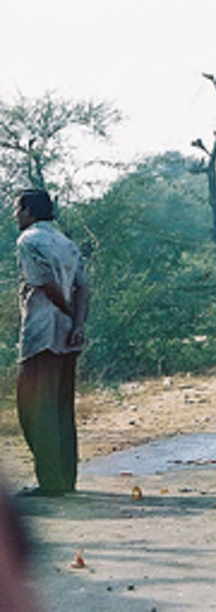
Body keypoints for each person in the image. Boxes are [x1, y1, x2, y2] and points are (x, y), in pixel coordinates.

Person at [13, 188, 90, 498]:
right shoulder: (67, 243)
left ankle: (50, 482)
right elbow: (83, 288)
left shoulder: (29, 241)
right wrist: (78, 325)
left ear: (30, 211)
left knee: (34, 409)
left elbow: (46, 284)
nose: (15, 214)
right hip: (67, 336)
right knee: (60, 408)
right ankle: (64, 479)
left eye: (18, 209)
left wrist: (68, 314)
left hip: (41, 333)